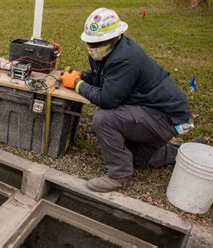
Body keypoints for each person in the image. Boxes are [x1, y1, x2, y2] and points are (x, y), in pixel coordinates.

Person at [61, 8, 190, 193]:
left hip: (165, 117)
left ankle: (119, 175)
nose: (92, 46)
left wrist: (77, 84)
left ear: (115, 37)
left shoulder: (125, 59)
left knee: (104, 118)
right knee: (138, 160)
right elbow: (106, 78)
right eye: (90, 42)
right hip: (151, 110)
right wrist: (83, 76)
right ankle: (185, 152)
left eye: (97, 42)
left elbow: (107, 100)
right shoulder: (107, 52)